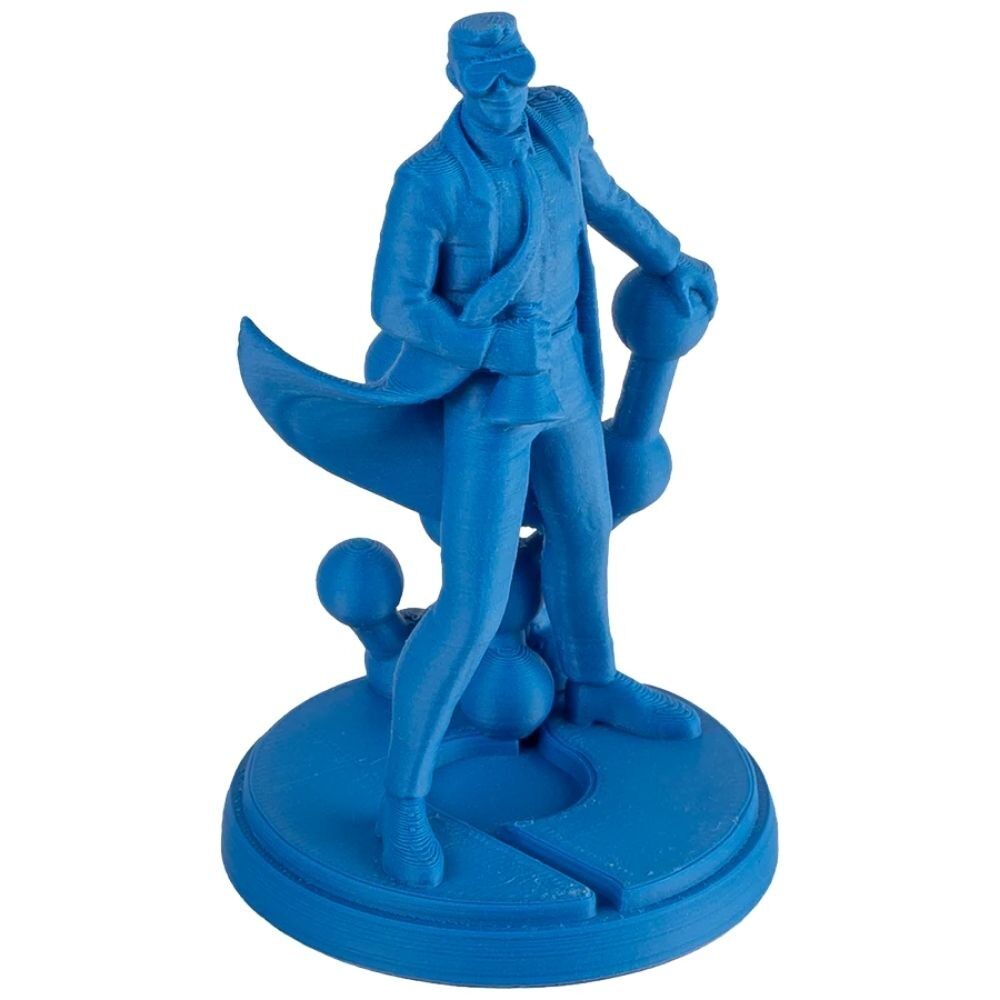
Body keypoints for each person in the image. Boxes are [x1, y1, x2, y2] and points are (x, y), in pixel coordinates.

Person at [373, 11, 718, 886]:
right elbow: (396, 304)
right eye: (483, 78)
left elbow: (606, 199)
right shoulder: (428, 180)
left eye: (514, 73)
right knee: (473, 600)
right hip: (488, 396)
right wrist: (488, 345)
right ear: (455, 80)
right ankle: (404, 804)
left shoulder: (558, 124)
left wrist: (671, 258)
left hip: (564, 372)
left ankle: (593, 683)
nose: (503, 93)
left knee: (587, 528)